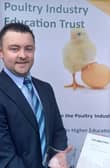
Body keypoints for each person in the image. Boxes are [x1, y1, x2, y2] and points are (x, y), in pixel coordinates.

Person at [0, 23, 70, 168]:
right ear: (1, 52)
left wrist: (57, 156)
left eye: (28, 49)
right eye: (14, 49)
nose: (23, 55)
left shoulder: (45, 89)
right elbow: (4, 155)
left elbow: (58, 131)